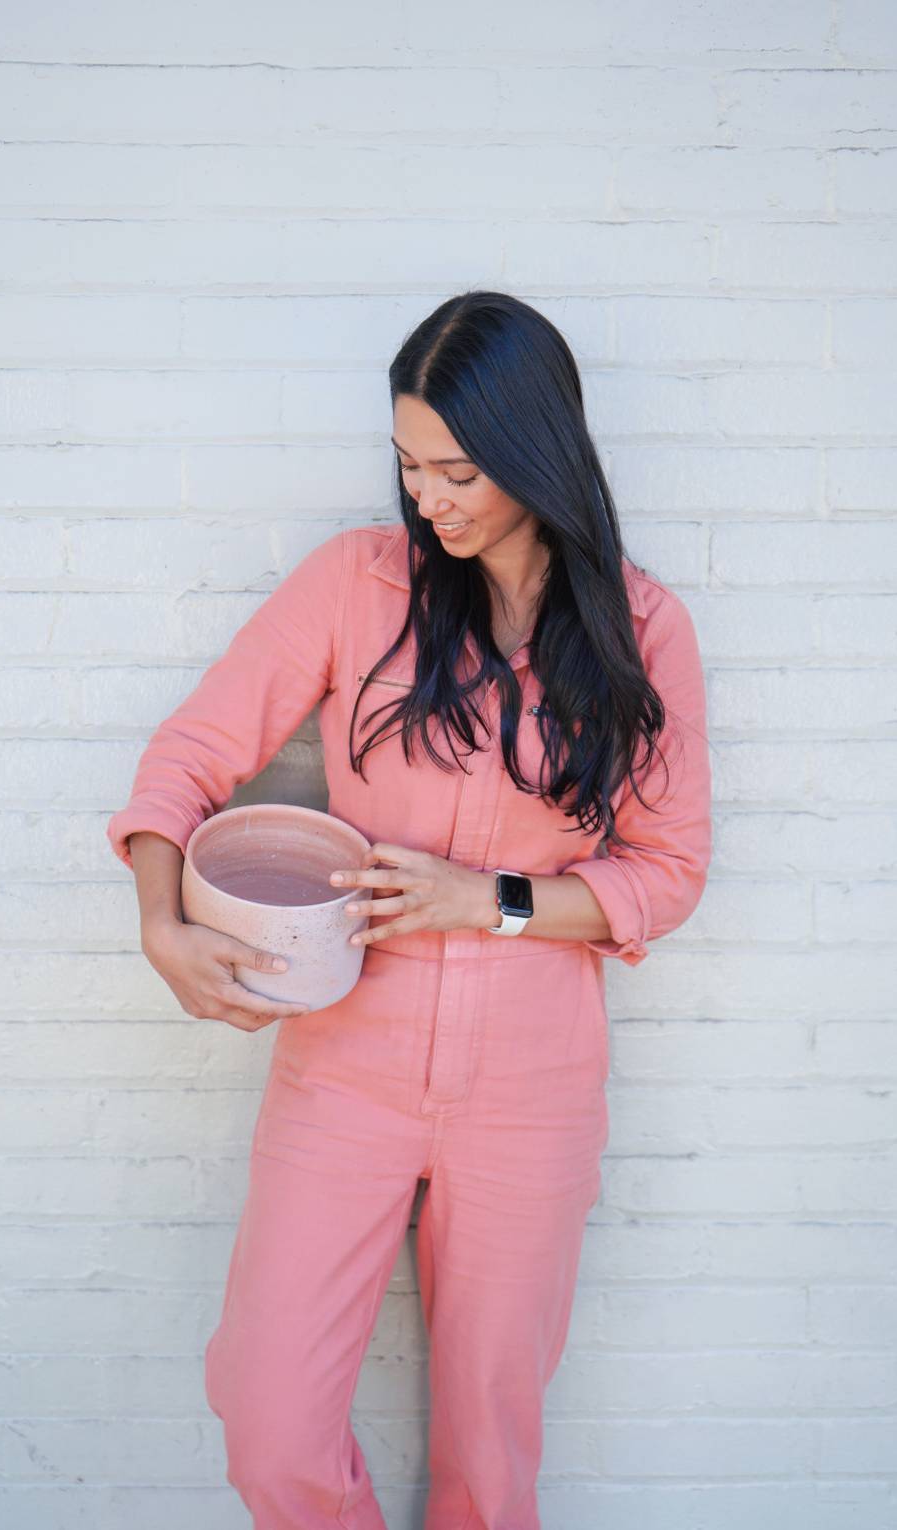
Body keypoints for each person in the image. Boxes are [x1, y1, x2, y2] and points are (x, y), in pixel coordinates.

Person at [105, 290, 713, 1529]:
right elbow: (190, 756)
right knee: (269, 1416)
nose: (426, 498)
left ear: (539, 455)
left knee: (490, 1464)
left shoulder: (642, 629)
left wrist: (480, 899)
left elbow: (669, 869)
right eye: (407, 464)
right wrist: (161, 920)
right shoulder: (355, 585)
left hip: (531, 1089)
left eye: (457, 470)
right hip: (347, 1067)